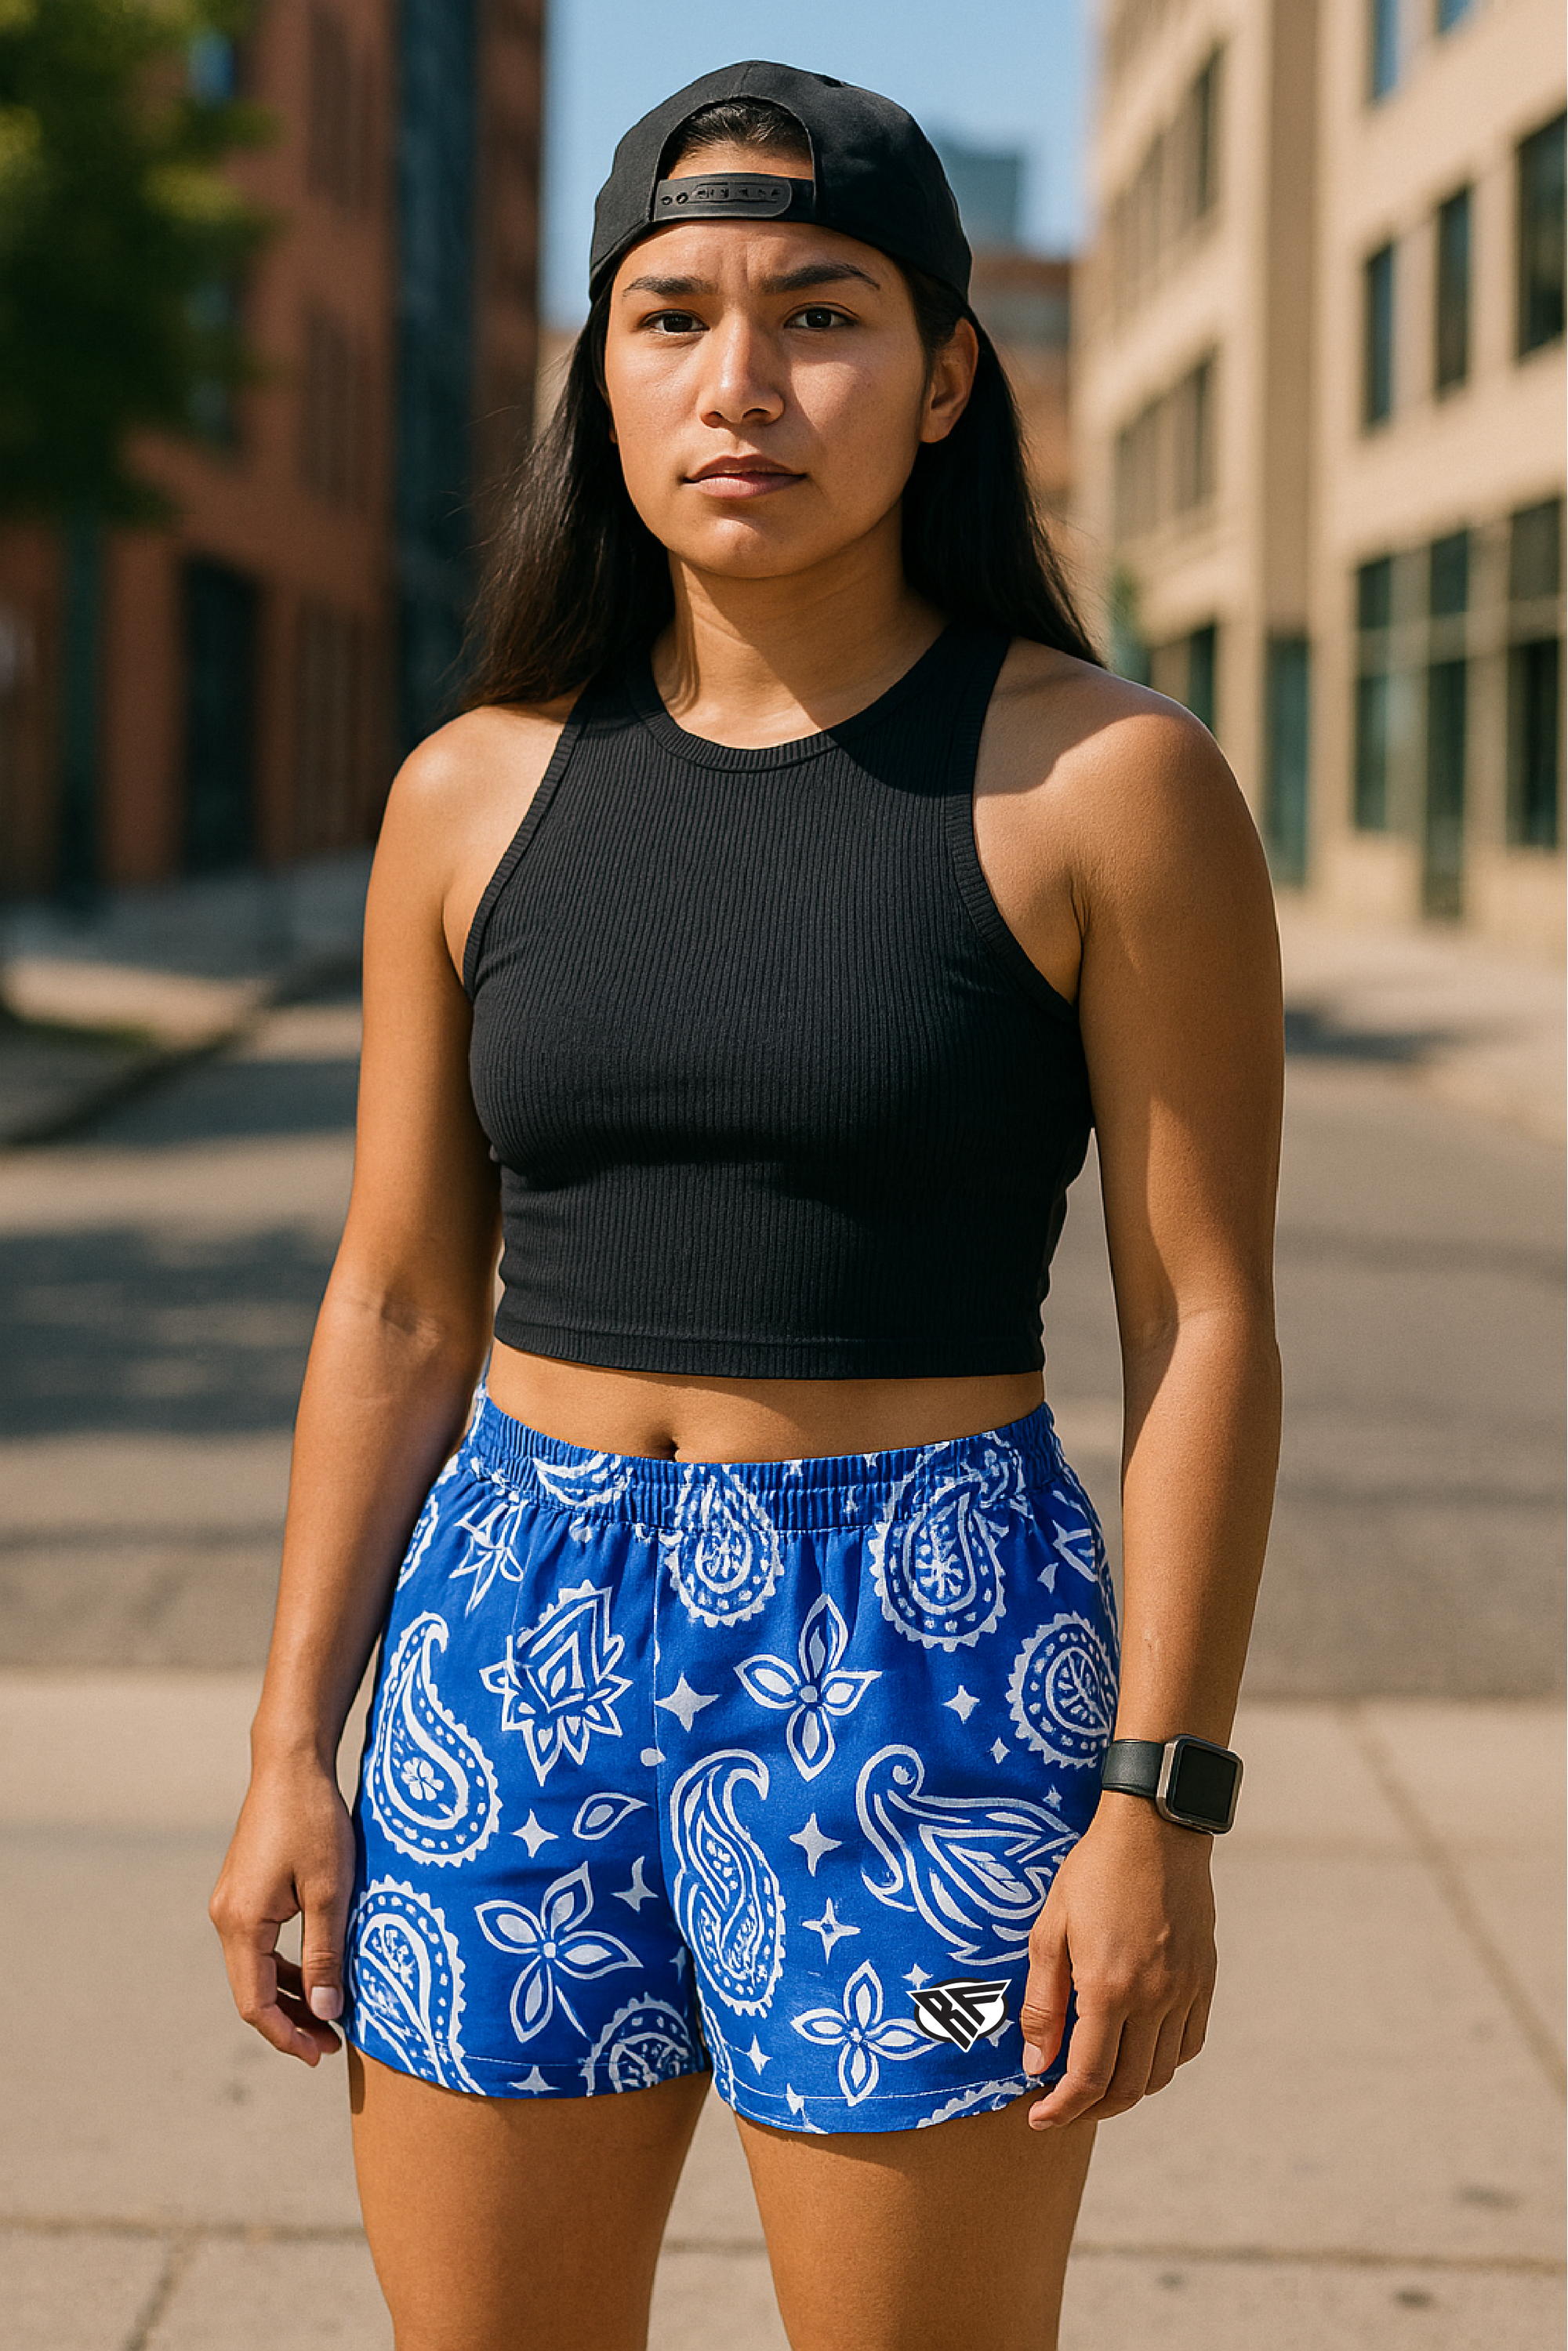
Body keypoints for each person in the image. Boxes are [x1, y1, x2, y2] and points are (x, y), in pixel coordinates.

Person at [211, 60, 1282, 2351]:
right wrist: (295, 1736)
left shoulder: (1107, 783)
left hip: (933, 1646)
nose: (743, 382)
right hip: (511, 1630)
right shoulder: (467, 795)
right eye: (673, 315)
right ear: (598, 374)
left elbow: (1202, 1323)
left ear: (948, 376)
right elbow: (399, 1302)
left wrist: (1159, 1799)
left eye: (824, 314)